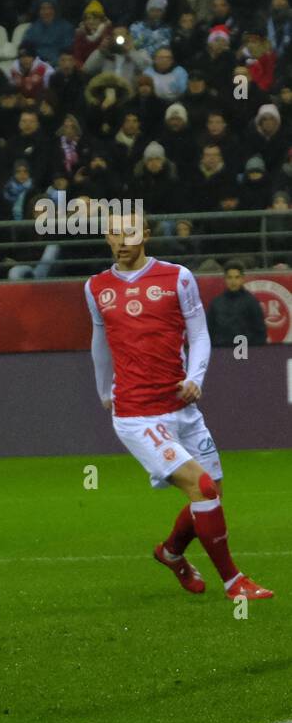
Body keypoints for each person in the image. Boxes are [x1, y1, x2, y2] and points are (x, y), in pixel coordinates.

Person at [84, 216, 273, 601]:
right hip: (137, 414)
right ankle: (234, 582)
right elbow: (100, 340)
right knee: (202, 487)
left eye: (130, 233)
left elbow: (199, 333)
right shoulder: (96, 287)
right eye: (114, 234)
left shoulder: (178, 278)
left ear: (147, 235)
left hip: (181, 406)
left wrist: (196, 378)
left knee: (211, 494)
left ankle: (170, 553)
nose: (121, 240)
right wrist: (104, 389)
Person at [206, 262, 267, 347]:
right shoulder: (216, 303)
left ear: (242, 279)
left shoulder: (251, 302)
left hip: (247, 352)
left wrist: (254, 352)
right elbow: (209, 330)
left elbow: (260, 331)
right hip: (221, 352)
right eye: (229, 277)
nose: (233, 281)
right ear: (225, 279)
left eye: (237, 277)